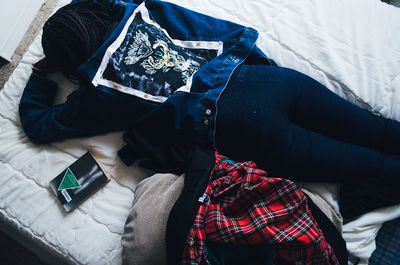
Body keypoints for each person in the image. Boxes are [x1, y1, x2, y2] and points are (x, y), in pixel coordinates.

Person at [20, 0, 400, 217]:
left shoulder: (97, 95)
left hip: (241, 127)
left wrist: (41, 75)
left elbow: (40, 125)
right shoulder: (141, 10)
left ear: (71, 63)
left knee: (371, 166)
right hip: (269, 82)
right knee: (377, 129)